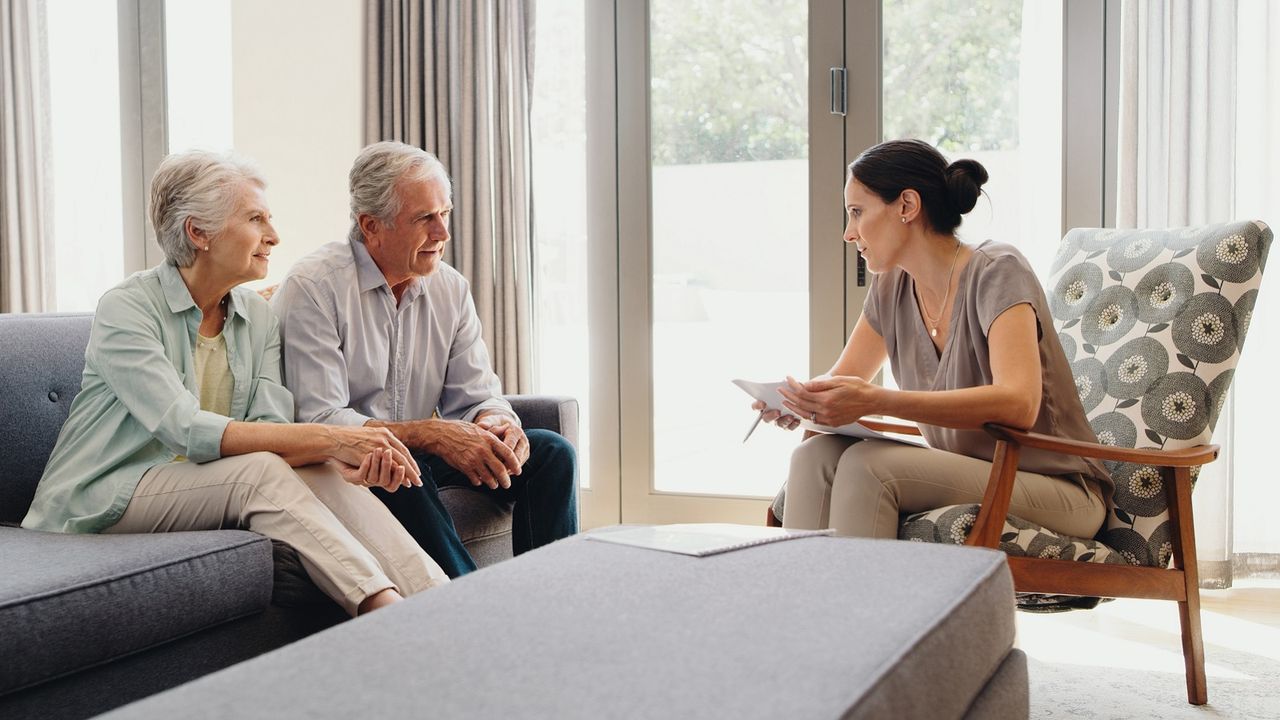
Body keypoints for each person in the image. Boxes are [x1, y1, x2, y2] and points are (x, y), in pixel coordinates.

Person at [21, 151, 448, 616]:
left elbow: (270, 428)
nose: (274, 236)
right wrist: (335, 436)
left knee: (315, 466)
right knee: (259, 473)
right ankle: (385, 611)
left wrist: (341, 455)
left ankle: (441, 605)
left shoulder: (257, 317)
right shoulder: (128, 308)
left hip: (198, 485)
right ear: (198, 232)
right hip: (105, 494)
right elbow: (183, 428)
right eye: (255, 218)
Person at [758, 139, 1112, 540]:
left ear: (907, 206)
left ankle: (866, 604)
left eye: (857, 212)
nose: (848, 233)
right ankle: (805, 601)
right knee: (813, 455)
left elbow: (1019, 403)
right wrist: (799, 401)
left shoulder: (998, 271)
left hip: (1057, 489)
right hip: (972, 472)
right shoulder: (890, 285)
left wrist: (878, 399)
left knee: (868, 466)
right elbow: (843, 379)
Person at [272, 141, 578, 577]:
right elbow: (320, 418)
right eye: (425, 219)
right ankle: (466, 607)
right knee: (398, 468)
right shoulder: (314, 287)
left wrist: (497, 423)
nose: (443, 233)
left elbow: (475, 395)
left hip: (413, 454)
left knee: (551, 453)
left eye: (445, 214)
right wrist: (431, 434)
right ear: (371, 225)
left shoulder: (449, 288)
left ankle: (547, 599)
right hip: (346, 464)